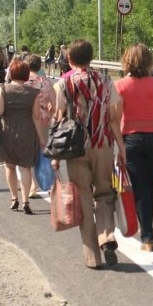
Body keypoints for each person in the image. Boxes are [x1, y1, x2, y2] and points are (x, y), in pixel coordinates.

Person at [52, 40, 126, 269]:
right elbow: (114, 118)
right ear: (91, 57)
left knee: (83, 199)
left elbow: (59, 118)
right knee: (104, 193)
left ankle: (93, 257)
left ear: (70, 60)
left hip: (75, 148)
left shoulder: (63, 84)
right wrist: (121, 149)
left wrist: (55, 155)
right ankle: (107, 237)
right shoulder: (106, 81)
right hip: (103, 144)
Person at [114, 43, 153, 252]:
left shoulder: (120, 85)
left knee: (139, 189)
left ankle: (147, 235)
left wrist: (119, 145)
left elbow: (116, 119)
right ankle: (147, 231)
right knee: (149, 187)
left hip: (131, 140)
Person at [0, 60, 46, 215]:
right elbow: (36, 117)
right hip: (27, 132)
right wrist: (42, 138)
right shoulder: (33, 92)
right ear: (25, 74)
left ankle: (13, 198)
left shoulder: (4, 89)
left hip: (8, 132)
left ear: (11, 73)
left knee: (9, 167)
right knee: (25, 168)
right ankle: (25, 201)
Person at [25, 53, 55, 198]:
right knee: (45, 152)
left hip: (27, 119)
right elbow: (54, 104)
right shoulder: (45, 81)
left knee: (29, 152)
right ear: (40, 66)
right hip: (43, 118)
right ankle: (49, 184)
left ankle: (33, 186)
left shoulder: (24, 82)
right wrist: (48, 112)